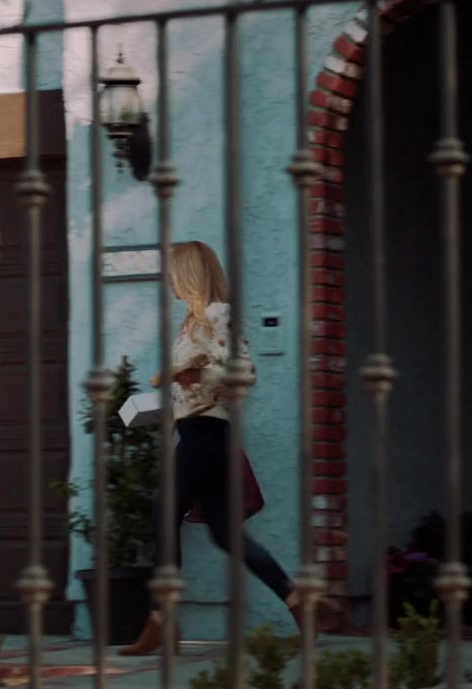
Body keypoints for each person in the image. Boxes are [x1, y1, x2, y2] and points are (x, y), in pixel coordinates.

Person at [119, 240, 337, 657]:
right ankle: (297, 600)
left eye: (174, 274)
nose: (170, 283)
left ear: (189, 274)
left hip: (205, 437)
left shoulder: (218, 314)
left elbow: (244, 372)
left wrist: (197, 375)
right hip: (203, 435)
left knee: (163, 516)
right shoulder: (193, 322)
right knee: (226, 535)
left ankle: (161, 621)